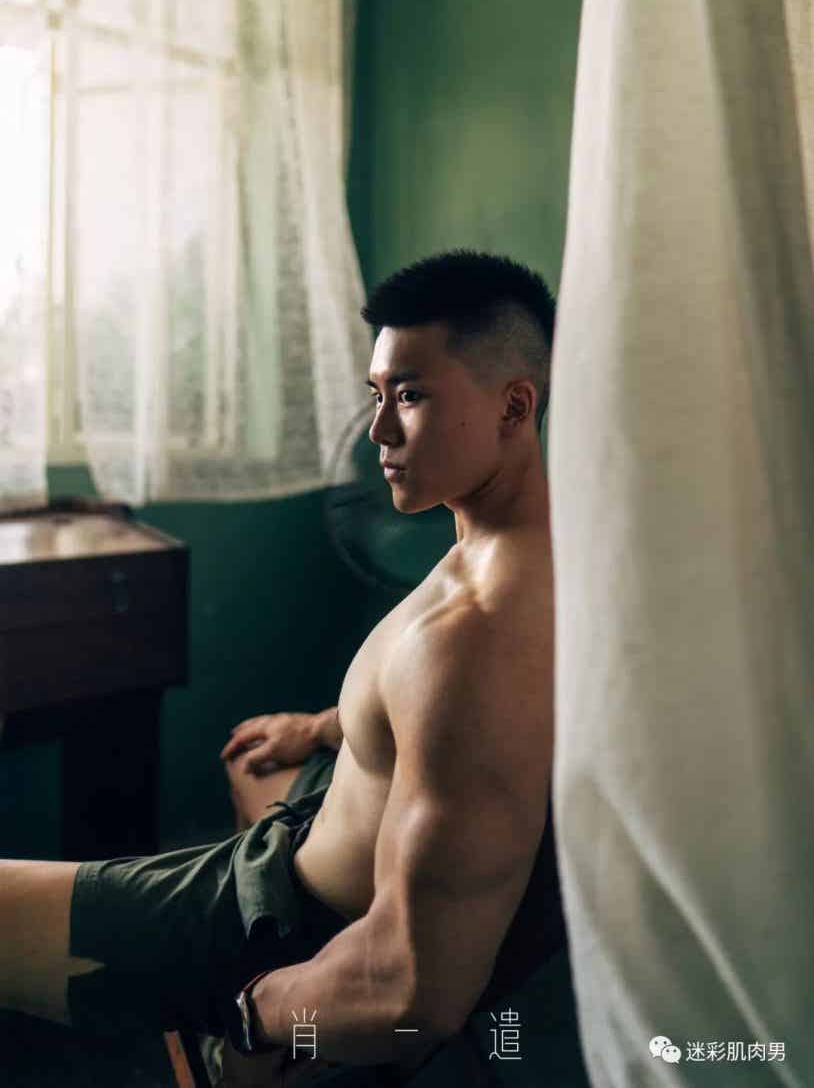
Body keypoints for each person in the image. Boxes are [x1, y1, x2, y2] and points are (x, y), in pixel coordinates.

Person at [0, 251, 561, 1085]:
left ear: (515, 405)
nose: (378, 432)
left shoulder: (475, 638)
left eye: (410, 396)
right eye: (376, 395)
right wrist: (324, 727)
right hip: (299, 838)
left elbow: (413, 987)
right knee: (255, 755)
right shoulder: (519, 549)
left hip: (274, 926)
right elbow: (426, 723)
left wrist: (253, 1018)